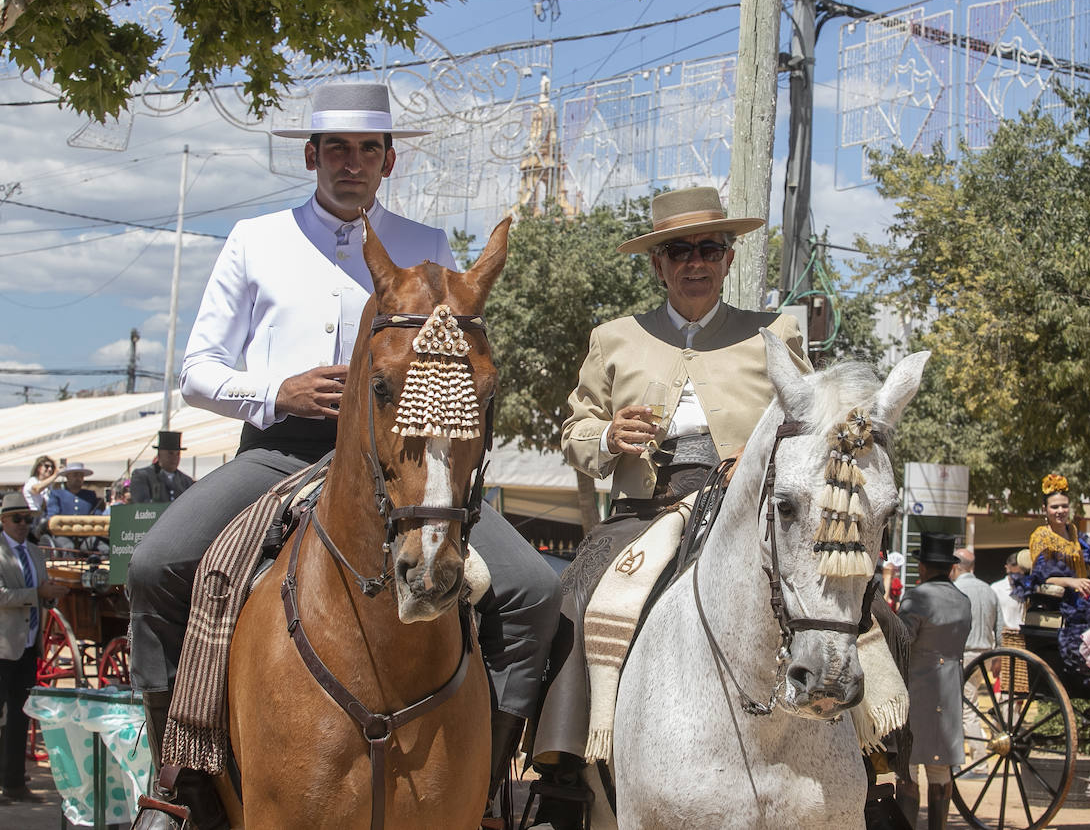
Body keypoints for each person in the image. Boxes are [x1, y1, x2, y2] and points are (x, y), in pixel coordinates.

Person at [126, 82, 561, 827]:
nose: (351, 163)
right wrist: (276, 392)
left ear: (389, 160)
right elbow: (197, 370)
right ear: (311, 156)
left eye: (367, 149)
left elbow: (452, 362)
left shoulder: (429, 247)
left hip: (406, 464)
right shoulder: (254, 240)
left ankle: (484, 786)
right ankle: (183, 778)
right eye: (336, 149)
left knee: (532, 591)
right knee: (158, 565)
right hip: (279, 453)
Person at [530, 185, 810, 827]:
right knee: (574, 595)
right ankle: (566, 769)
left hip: (748, 513)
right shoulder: (615, 337)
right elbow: (574, 433)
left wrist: (758, 463)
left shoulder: (776, 333)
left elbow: (804, 423)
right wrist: (608, 436)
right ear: (658, 264)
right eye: (678, 250)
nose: (695, 262)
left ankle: (880, 758)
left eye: (709, 247)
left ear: (729, 256)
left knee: (857, 605)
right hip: (644, 509)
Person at [896, 533, 972, 830]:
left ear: (924, 567)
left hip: (918, 687)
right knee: (941, 769)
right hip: (950, 688)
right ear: (950, 568)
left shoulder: (917, 598)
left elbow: (903, 639)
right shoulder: (963, 601)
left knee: (910, 767)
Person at [1015, 474, 1090, 682]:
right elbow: (1041, 577)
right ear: (1045, 509)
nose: (1060, 511)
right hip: (1062, 599)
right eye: (1054, 507)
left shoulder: (1073, 531)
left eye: (1064, 506)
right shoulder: (1041, 536)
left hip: (1083, 592)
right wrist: (1071, 582)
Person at [0, 492, 67, 802]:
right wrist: (36, 592)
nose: (23, 524)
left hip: (28, 647)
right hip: (2, 648)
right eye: (17, 519)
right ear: (3, 521)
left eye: (28, 519)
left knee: (19, 717)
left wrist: (50, 594)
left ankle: (14, 783)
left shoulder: (35, 552)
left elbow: (42, 592)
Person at [952, 546, 1000, 772]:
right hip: (987, 654)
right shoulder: (989, 590)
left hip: (965, 653)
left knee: (967, 708)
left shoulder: (956, 589)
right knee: (971, 703)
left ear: (954, 567)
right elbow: (1000, 628)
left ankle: (979, 762)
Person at [129, 431, 194, 504]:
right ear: (159, 454)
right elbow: (142, 505)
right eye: (170, 453)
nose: (175, 458)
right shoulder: (142, 476)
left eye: (178, 454)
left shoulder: (186, 481)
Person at [990, 550, 1024, 633]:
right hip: (1004, 637)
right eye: (1012, 574)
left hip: (1023, 638)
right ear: (1007, 568)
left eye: (1019, 574)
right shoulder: (996, 589)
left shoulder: (1027, 588)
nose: (1016, 578)